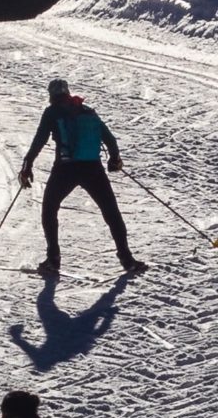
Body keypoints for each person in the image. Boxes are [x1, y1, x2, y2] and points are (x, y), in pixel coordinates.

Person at [21, 76, 146, 278]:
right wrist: (114, 160)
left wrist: (27, 165)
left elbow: (39, 140)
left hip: (66, 168)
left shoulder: (52, 112)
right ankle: (127, 259)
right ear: (68, 93)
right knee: (111, 211)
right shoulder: (87, 111)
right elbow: (109, 139)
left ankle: (53, 259)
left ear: (51, 95)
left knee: (49, 209)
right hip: (92, 168)